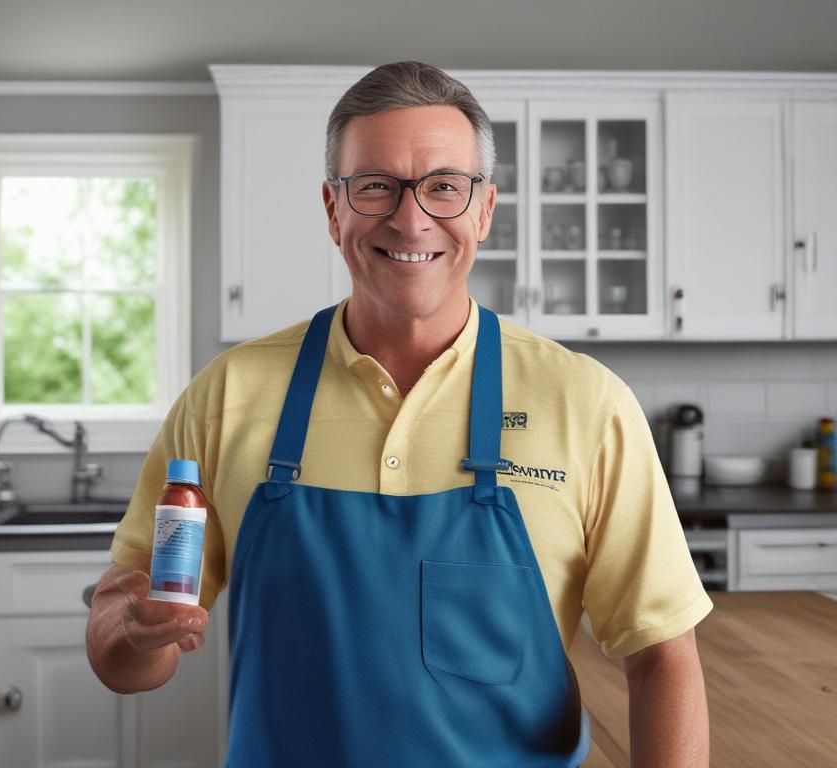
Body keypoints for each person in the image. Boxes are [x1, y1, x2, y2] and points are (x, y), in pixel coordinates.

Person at [86, 61, 713, 767]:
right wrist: (135, 633)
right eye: (376, 187)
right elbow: (125, 638)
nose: (410, 218)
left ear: (484, 209)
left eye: (444, 187)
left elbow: (663, 658)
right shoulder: (228, 395)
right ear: (333, 209)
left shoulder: (587, 403)